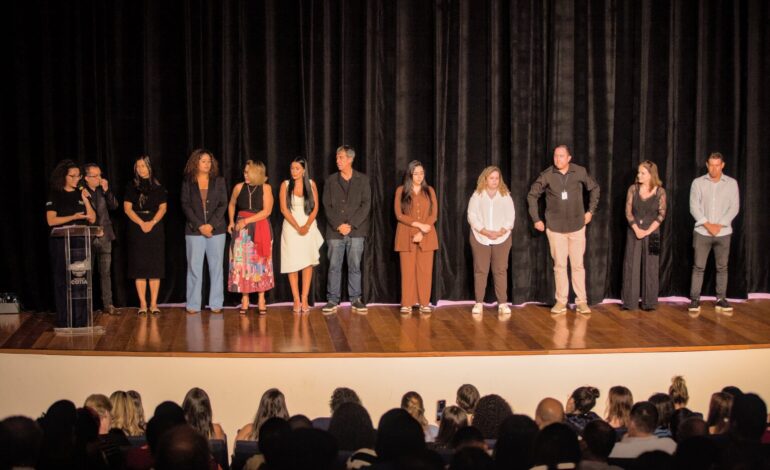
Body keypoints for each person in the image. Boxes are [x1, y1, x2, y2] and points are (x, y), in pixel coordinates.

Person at [527, 145, 600, 315]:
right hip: (555, 228)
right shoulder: (547, 174)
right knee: (559, 266)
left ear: (569, 158)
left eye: (561, 156)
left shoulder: (579, 171)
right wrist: (536, 219)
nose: (558, 159)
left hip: (576, 227)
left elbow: (595, 188)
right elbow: (532, 195)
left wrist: (590, 211)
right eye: (555, 156)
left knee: (577, 265)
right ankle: (561, 301)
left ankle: (581, 302)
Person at [322, 145, 372, 314]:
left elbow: (366, 205)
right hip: (335, 232)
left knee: (354, 266)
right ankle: (332, 299)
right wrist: (339, 225)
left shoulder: (362, 180)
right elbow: (326, 206)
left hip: (356, 231)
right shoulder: (331, 180)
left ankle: (355, 299)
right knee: (334, 266)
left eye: (341, 158)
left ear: (350, 159)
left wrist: (351, 224)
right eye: (337, 158)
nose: (338, 161)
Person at [688, 151, 740, 313]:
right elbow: (694, 207)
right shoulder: (698, 183)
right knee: (698, 267)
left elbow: (734, 207)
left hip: (723, 233)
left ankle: (720, 299)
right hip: (702, 232)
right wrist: (707, 224)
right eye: (711, 165)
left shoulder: (731, 183)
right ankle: (695, 299)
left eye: (717, 165)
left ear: (722, 165)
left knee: (722, 267)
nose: (714, 168)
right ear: (707, 165)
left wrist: (720, 225)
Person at [46, 160, 96, 327]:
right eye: (72, 176)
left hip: (79, 242)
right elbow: (51, 220)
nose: (76, 179)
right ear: (64, 177)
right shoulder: (56, 194)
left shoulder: (80, 193)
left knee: (79, 280)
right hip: (60, 243)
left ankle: (81, 319)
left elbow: (92, 218)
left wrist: (86, 199)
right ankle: (64, 319)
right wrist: (74, 217)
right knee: (62, 280)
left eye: (78, 176)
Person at [181, 149, 228, 314]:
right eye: (203, 161)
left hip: (217, 230)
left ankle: (216, 303)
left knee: (216, 268)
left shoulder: (219, 181)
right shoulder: (188, 182)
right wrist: (200, 225)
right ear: (196, 163)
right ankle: (193, 304)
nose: (207, 164)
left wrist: (211, 225)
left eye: (209, 161)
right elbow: (185, 205)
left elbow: (223, 204)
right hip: (194, 231)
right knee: (194, 268)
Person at [467, 165, 515, 319]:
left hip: (502, 238)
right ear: (485, 179)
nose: (494, 181)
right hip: (480, 238)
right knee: (481, 270)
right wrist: (484, 231)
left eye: (497, 178)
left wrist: (501, 231)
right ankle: (479, 303)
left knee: (500, 270)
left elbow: (510, 217)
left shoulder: (505, 195)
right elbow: (471, 216)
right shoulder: (477, 195)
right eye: (491, 178)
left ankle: (502, 303)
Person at [227, 160, 275, 314]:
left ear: (257, 173)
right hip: (241, 230)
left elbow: (266, 211)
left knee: (260, 262)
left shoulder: (266, 188)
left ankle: (261, 298)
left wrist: (246, 221)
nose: (245, 174)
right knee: (242, 263)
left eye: (248, 172)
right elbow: (232, 204)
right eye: (245, 172)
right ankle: (245, 298)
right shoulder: (239, 187)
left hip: (260, 227)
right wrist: (231, 221)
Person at [123, 156, 167, 316]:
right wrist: (141, 223)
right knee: (139, 266)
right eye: (138, 166)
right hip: (137, 226)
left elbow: (163, 208)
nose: (141, 169)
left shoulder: (158, 187)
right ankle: (142, 303)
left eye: (143, 166)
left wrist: (152, 222)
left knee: (155, 266)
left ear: (150, 167)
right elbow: (127, 209)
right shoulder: (131, 186)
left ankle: (154, 303)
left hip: (154, 226)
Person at [621, 160, 667, 311]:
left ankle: (649, 302)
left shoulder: (660, 192)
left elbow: (661, 214)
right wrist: (636, 228)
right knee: (631, 265)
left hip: (652, 232)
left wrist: (647, 231)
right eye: (638, 172)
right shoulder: (633, 189)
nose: (639, 175)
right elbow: (628, 212)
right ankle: (630, 302)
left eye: (642, 173)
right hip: (634, 231)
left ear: (651, 175)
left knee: (651, 266)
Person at [279, 158, 324, 313]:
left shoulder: (311, 184)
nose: (294, 171)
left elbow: (316, 207)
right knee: (292, 262)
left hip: (308, 224)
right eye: (292, 168)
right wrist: (298, 227)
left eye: (297, 168)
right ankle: (296, 299)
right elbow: (284, 209)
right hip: (291, 226)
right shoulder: (285, 185)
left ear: (304, 170)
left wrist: (306, 226)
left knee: (307, 262)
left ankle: (304, 297)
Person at [394, 160, 439, 314]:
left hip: (427, 236)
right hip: (406, 235)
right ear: (410, 174)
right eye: (416, 173)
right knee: (407, 271)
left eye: (422, 173)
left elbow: (433, 215)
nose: (419, 176)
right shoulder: (401, 190)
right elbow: (399, 214)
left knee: (425, 271)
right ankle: (406, 303)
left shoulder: (430, 191)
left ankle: (424, 303)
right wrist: (418, 225)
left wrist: (422, 231)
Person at [82, 163, 120, 315]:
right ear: (86, 178)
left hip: (105, 236)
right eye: (95, 176)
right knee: (87, 273)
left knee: (105, 273)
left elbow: (114, 206)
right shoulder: (82, 192)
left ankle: (108, 304)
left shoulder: (103, 191)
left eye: (100, 175)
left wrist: (107, 190)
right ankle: (86, 306)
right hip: (88, 237)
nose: (99, 178)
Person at [608, 402, 676, 459]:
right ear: (656, 423)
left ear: (632, 423)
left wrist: (624, 440)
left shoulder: (616, 450)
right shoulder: (670, 445)